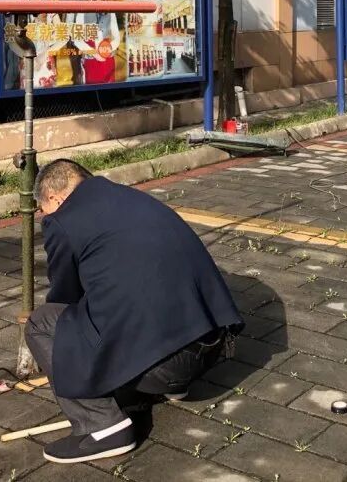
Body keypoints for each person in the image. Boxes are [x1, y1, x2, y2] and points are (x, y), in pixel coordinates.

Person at [25, 159, 244, 464]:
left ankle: (103, 427)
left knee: (41, 324)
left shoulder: (63, 220)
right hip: (212, 347)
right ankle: (170, 386)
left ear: (54, 198)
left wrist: (65, 361)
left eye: (43, 210)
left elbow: (65, 298)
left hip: (166, 367)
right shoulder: (134, 198)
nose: (44, 217)